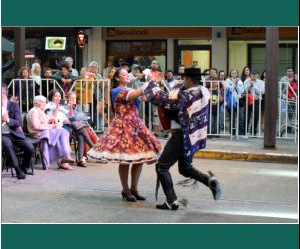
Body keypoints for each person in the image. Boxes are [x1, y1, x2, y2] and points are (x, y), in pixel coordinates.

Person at [144, 68, 222, 210]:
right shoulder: (202, 92)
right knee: (185, 168)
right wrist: (176, 89)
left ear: (189, 79)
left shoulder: (185, 95)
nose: (182, 81)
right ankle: (210, 181)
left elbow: (160, 98)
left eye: (184, 78)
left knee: (162, 166)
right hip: (193, 136)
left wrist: (152, 83)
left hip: (181, 135)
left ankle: (171, 201)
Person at [88, 68, 162, 202]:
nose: (127, 76)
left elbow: (145, 96)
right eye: (123, 74)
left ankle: (134, 188)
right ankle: (126, 189)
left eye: (127, 74)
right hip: (123, 126)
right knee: (125, 159)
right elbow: (139, 92)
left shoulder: (130, 90)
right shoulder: (116, 91)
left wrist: (156, 85)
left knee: (139, 158)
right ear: (117, 78)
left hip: (135, 125)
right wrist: (149, 82)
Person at [26, 95, 75, 170]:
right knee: (60, 132)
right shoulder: (33, 111)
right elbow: (36, 126)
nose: (45, 104)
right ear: (37, 103)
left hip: (45, 131)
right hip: (38, 133)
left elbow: (47, 120)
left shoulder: (41, 111)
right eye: (44, 102)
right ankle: (65, 157)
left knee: (63, 131)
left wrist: (51, 120)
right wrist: (50, 126)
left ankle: (66, 156)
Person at [2, 84, 34, 179]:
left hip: (14, 133)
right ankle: (18, 170)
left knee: (30, 148)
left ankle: (23, 166)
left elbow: (18, 122)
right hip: (2, 135)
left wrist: (7, 120)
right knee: (8, 145)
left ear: (3, 94)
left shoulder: (13, 105)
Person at [63, 92, 96, 167]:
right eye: (72, 98)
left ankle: (81, 159)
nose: (74, 99)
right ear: (68, 99)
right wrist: (75, 117)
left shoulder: (77, 107)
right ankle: (93, 148)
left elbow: (84, 117)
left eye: (75, 98)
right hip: (70, 128)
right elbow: (70, 119)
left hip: (78, 128)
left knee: (81, 136)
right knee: (82, 129)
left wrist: (77, 119)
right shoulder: (65, 107)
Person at [244, 70, 265, 135]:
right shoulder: (247, 81)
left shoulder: (261, 82)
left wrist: (254, 87)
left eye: (255, 74)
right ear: (250, 75)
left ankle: (253, 131)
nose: (253, 76)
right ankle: (245, 130)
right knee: (247, 115)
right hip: (248, 100)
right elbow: (244, 90)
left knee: (256, 115)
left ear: (257, 75)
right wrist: (249, 86)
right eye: (252, 74)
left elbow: (262, 92)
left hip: (256, 100)